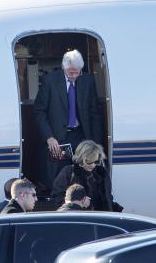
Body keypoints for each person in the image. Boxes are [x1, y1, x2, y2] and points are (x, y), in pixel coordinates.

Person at [34, 49, 103, 189]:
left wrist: (97, 143)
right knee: (58, 176)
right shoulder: (50, 81)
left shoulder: (88, 80)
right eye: (70, 72)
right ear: (63, 67)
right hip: (57, 136)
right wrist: (49, 137)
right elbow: (39, 111)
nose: (74, 76)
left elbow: (94, 113)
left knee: (83, 174)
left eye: (77, 72)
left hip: (81, 134)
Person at [52, 140, 122, 212]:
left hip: (100, 217)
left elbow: (108, 197)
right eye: (89, 162)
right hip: (75, 217)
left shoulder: (101, 173)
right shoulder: (68, 172)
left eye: (96, 161)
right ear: (81, 158)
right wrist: (76, 205)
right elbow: (57, 197)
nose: (93, 165)